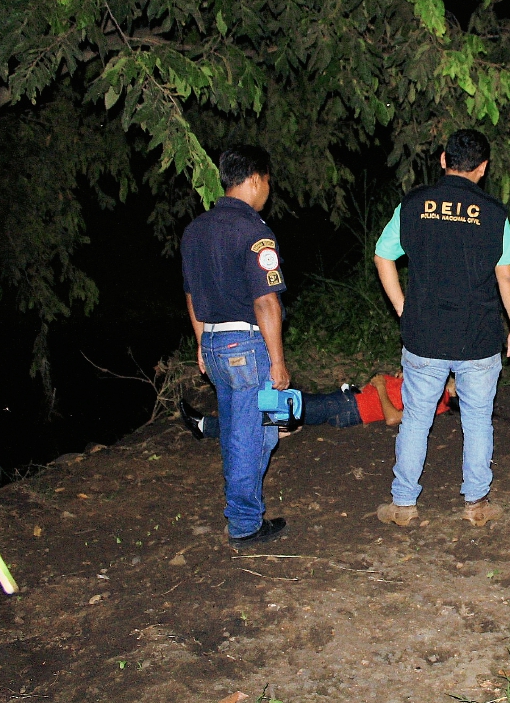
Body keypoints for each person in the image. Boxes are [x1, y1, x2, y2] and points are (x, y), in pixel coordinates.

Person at [373, 129, 510, 527]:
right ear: (483, 167)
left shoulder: (413, 205)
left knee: (416, 419)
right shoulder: (494, 213)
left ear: (443, 160)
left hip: (424, 334)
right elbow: (506, 276)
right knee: (477, 420)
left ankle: (403, 505)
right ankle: (476, 504)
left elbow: (382, 255)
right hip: (478, 337)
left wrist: (403, 307)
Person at [181, 145, 291, 549]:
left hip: (213, 341)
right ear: (256, 179)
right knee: (250, 434)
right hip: (246, 344)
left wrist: (201, 343)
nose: (268, 190)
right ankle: (244, 523)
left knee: (244, 430)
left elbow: (191, 294)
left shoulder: (195, 230)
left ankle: (243, 509)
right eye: (268, 182)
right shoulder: (255, 232)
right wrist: (278, 361)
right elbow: (266, 302)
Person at [178, 374, 457, 437]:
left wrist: (382, 386)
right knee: (280, 416)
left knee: (277, 408)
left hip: (346, 407)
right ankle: (215, 424)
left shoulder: (437, 400)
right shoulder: (435, 392)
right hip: (346, 402)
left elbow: (394, 418)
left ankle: (206, 426)